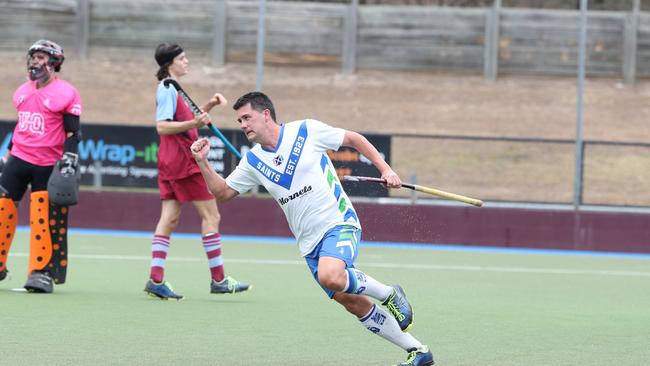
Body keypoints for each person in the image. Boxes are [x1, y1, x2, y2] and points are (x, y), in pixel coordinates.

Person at [190, 91, 435, 366]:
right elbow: (222, 193)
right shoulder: (252, 161)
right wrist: (202, 162)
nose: (243, 124)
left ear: (266, 114)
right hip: (308, 244)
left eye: (247, 117)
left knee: (330, 276)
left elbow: (354, 139)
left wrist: (385, 169)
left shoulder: (306, 130)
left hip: (338, 221)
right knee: (351, 301)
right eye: (239, 120)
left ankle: (389, 293)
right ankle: (418, 351)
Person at [145, 43, 251, 300]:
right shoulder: (168, 88)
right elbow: (162, 126)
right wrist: (195, 122)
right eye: (182, 58)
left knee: (169, 218)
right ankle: (219, 280)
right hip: (183, 159)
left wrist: (210, 105)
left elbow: (188, 119)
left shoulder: (173, 88)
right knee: (211, 216)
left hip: (169, 159)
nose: (186, 61)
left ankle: (155, 280)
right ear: (170, 63)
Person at [0, 39, 82, 293]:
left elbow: (72, 134)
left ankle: (41, 271)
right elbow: (21, 125)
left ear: (54, 63)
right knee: (2, 208)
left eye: (40, 57)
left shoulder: (66, 92)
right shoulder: (22, 91)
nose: (35, 62)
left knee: (42, 216)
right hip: (19, 158)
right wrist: (8, 153)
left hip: (47, 163)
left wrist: (69, 159)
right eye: (33, 57)